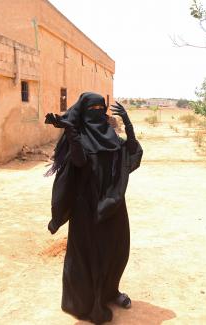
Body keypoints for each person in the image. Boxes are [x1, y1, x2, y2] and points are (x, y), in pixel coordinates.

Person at [44, 92, 143, 324]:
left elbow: (130, 155)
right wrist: (70, 131)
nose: (98, 113)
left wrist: (128, 125)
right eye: (93, 108)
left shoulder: (110, 136)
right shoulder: (77, 136)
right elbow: (79, 162)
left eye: (102, 108)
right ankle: (88, 301)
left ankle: (111, 292)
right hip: (87, 209)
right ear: (83, 110)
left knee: (116, 252)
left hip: (113, 205)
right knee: (89, 256)